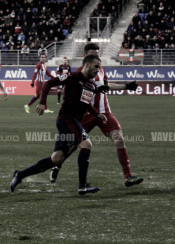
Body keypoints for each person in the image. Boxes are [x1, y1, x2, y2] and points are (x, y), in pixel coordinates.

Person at [49, 43, 144, 188]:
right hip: (86, 113)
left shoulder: (100, 69)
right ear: (85, 55)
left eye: (97, 54)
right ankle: (57, 166)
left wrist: (126, 86)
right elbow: (77, 95)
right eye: (92, 54)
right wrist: (97, 90)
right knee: (73, 146)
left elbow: (106, 85)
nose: (95, 57)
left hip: (104, 112)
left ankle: (128, 176)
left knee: (119, 140)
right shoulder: (79, 73)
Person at [10, 55, 108, 195]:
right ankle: (82, 186)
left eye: (99, 67)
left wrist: (96, 114)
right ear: (87, 64)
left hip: (72, 122)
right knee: (87, 144)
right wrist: (42, 102)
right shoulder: (73, 77)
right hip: (66, 119)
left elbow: (86, 104)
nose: (98, 70)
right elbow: (49, 83)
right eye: (96, 66)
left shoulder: (91, 84)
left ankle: (20, 175)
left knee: (56, 159)